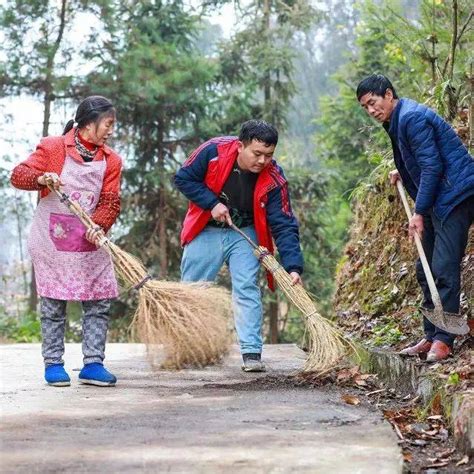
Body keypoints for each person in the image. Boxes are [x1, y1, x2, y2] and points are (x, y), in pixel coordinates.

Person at [357, 74, 474, 362]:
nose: (371, 111)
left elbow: (432, 167)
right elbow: (420, 159)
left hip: (455, 196)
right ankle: (432, 335)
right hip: (439, 198)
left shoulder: (410, 117)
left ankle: (445, 341)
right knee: (425, 270)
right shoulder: (396, 119)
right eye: (365, 107)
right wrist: (403, 171)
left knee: (444, 267)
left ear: (388, 94)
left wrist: (419, 212)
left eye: (373, 103)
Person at [174, 120, 304, 372]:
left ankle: (251, 352)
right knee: (193, 289)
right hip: (206, 229)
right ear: (239, 146)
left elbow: (284, 223)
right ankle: (188, 346)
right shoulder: (212, 151)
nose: (262, 161)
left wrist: (293, 266)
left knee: (246, 286)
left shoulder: (274, 177)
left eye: (268, 155)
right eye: (256, 153)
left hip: (245, 232)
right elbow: (184, 178)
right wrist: (211, 204)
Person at [11, 96, 123, 386]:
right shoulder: (53, 147)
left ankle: (93, 365)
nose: (111, 130)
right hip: (52, 240)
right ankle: (53, 365)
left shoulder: (111, 160)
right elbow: (18, 175)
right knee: (53, 304)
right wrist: (41, 178)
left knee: (99, 302)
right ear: (89, 122)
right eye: (108, 124)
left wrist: (99, 226)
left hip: (90, 240)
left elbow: (110, 202)